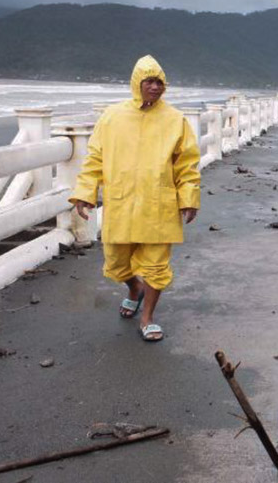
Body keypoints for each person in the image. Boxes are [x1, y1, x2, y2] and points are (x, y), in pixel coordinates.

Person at [70, 55, 201, 342]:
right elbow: (94, 157)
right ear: (136, 84)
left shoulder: (175, 120)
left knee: (156, 267)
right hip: (121, 202)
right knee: (116, 263)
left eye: (160, 82)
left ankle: (148, 317)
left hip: (159, 205)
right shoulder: (112, 116)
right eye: (149, 82)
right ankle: (134, 289)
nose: (155, 87)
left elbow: (187, 164)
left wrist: (189, 197)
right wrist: (85, 192)